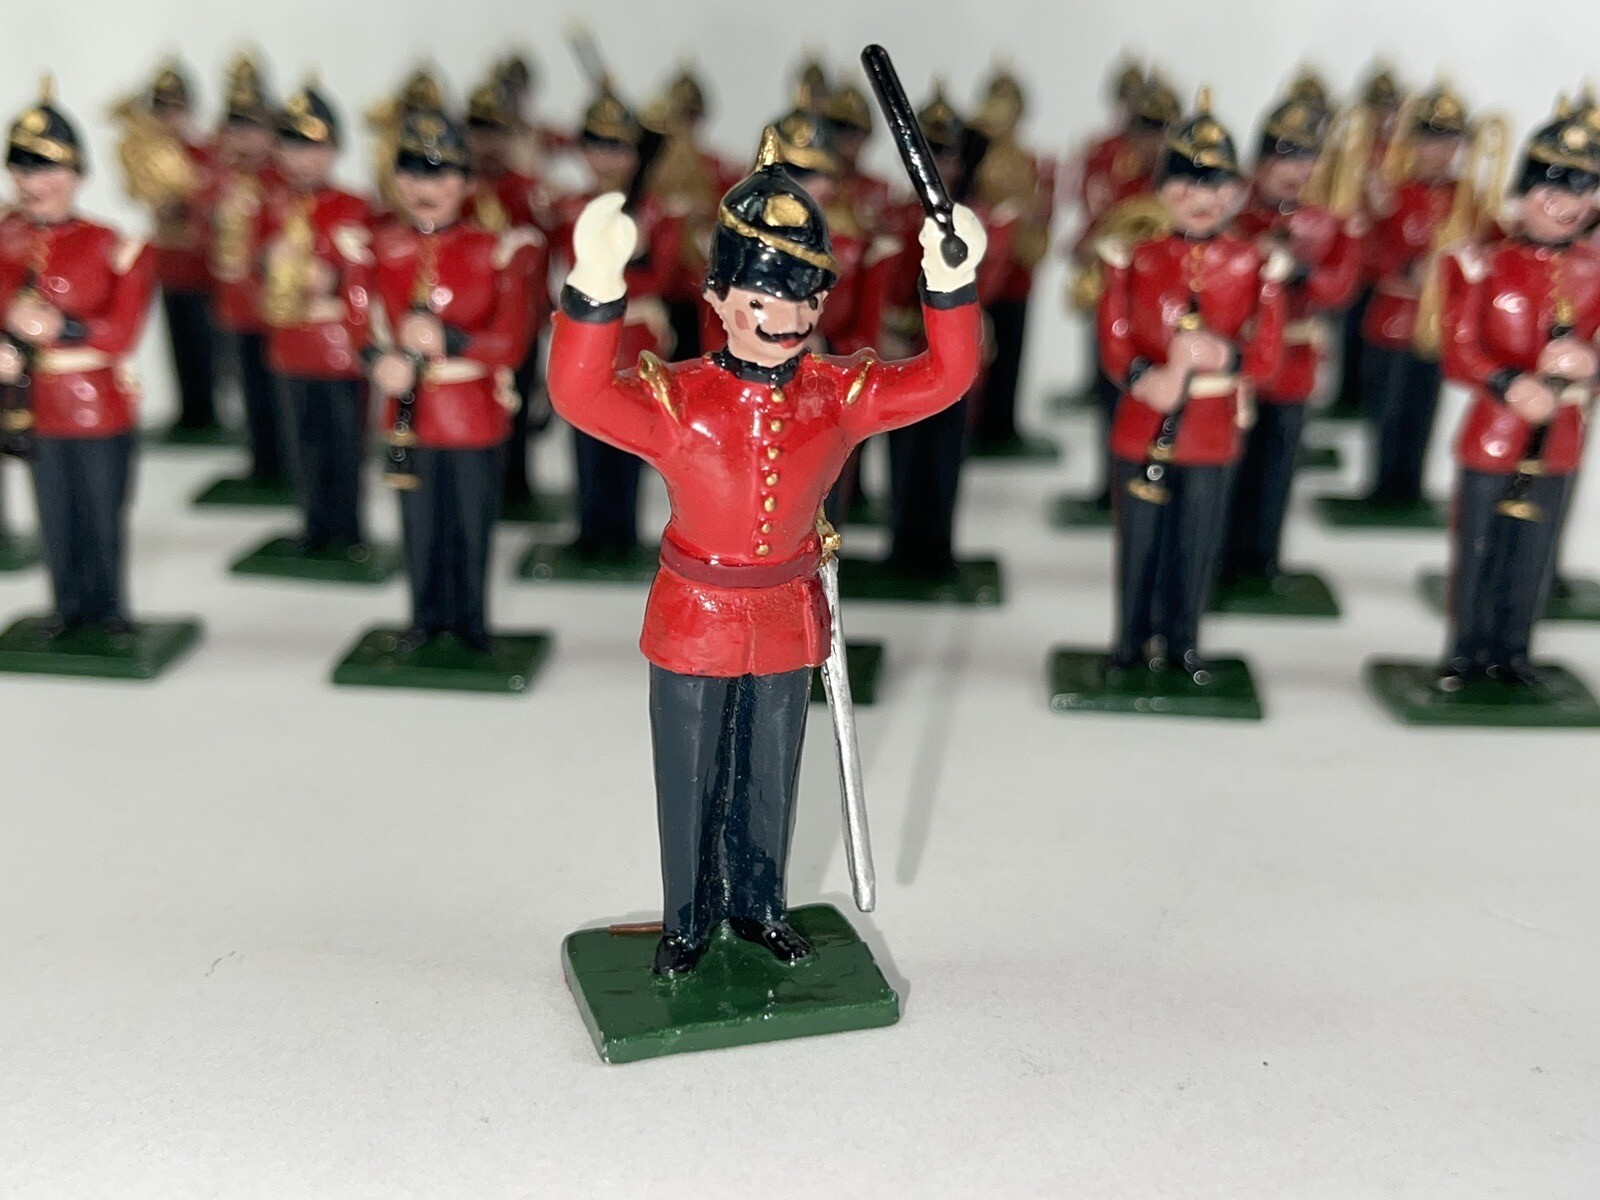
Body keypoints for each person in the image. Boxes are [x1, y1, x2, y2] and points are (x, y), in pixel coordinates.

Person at [546, 130, 987, 973]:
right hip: (697, 613)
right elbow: (576, 392)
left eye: (803, 302)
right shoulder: (679, 400)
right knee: (689, 774)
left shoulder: (838, 394)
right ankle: (686, 920)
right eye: (761, 302)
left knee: (772, 772)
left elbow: (945, 378)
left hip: (787, 611)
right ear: (716, 298)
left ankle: (759, 905)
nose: (785, 323)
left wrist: (948, 281)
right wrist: (595, 286)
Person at [1096, 89, 1288, 683]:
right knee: (1138, 541)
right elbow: (1115, 340)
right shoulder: (1135, 259)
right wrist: (1145, 377)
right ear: (1163, 190)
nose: (1202, 200)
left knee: (1197, 541)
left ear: (1236, 193)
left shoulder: (1254, 264)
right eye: (1186, 184)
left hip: (1208, 425)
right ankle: (1129, 640)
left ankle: (1183, 642)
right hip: (1146, 416)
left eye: (1217, 186)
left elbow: (1267, 356)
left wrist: (1226, 355)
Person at [359, 109, 538, 651]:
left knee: (470, 521)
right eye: (413, 173)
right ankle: (424, 617)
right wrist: (377, 359)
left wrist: (451, 341)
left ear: (464, 182)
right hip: (409, 412)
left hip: (471, 411)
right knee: (417, 523)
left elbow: (511, 342)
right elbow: (357, 319)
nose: (426, 188)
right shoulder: (379, 248)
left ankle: (471, 621)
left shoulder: (494, 250)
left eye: (440, 175)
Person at [1435, 102, 1600, 689]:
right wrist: (1508, 382)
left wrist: (1590, 363)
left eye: (1581, 191)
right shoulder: (1481, 265)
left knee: (1533, 552)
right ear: (1524, 195)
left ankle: (1513, 651)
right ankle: (1465, 651)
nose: (1564, 206)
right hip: (1496, 430)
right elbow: (1459, 351)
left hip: (1560, 435)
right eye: (1550, 191)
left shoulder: (1595, 268)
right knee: (1479, 546)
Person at [0, 80, 156, 636]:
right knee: (54, 514)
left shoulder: (112, 244)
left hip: (96, 406)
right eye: (22, 168)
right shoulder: (6, 238)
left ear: (75, 174)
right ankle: (67, 608)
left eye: (46, 169)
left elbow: (120, 334)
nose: (32, 182)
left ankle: (109, 610)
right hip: (35, 405)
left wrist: (61, 328)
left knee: (101, 512)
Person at [1220, 92, 1360, 594]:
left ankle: (1262, 557)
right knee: (1229, 460)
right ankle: (1218, 554)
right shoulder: (1234, 217)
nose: (1295, 170)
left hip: (1293, 360)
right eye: (1283, 156)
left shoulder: (1329, 224)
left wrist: (1298, 272)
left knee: (1278, 464)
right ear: (1259, 163)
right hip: (1239, 360)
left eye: (1306, 158)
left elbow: (1339, 286)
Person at [546, 81, 683, 564]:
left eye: (618, 146)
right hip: (588, 338)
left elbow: (662, 277)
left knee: (630, 436)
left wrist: (638, 254)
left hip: (638, 338)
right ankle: (590, 529)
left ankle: (622, 531)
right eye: (597, 144)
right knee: (584, 435)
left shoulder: (657, 213)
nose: (606, 157)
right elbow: (569, 267)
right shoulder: (570, 208)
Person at [255, 79, 376, 561]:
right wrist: (270, 260)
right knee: (301, 440)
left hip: (341, 346)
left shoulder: (355, 206)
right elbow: (248, 264)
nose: (302, 158)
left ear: (335, 150)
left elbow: (370, 271)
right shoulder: (270, 204)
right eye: (292, 146)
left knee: (345, 442)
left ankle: (349, 528)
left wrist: (335, 276)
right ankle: (314, 524)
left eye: (314, 147)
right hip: (290, 341)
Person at [1354, 81, 1471, 511]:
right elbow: (1366, 250)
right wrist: (1405, 268)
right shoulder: (1392, 192)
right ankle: (1382, 483)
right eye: (1429, 141)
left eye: (1448, 142)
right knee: (1389, 405)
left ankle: (1412, 483)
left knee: (1424, 407)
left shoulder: (1466, 198)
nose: (1438, 152)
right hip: (1395, 316)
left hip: (1438, 323)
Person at [462, 76, 552, 518]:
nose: (487, 142)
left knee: (518, 397)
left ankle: (517, 482)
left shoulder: (525, 187)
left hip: (520, 313)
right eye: (479, 130)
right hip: (472, 316)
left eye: (495, 131)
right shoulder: (458, 188)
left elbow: (541, 249)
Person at [206, 52, 290, 498]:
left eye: (255, 128)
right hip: (235, 302)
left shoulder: (282, 181)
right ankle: (261, 460)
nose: (245, 138)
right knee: (248, 387)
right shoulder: (218, 177)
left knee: (282, 389)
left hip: (278, 303)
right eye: (237, 128)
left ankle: (288, 462)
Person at [969, 66, 1057, 457]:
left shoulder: (1030, 161)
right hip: (981, 267)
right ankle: (976, 425)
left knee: (1012, 349)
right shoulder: (977, 155)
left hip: (1018, 267)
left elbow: (1040, 211)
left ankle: (1004, 423)